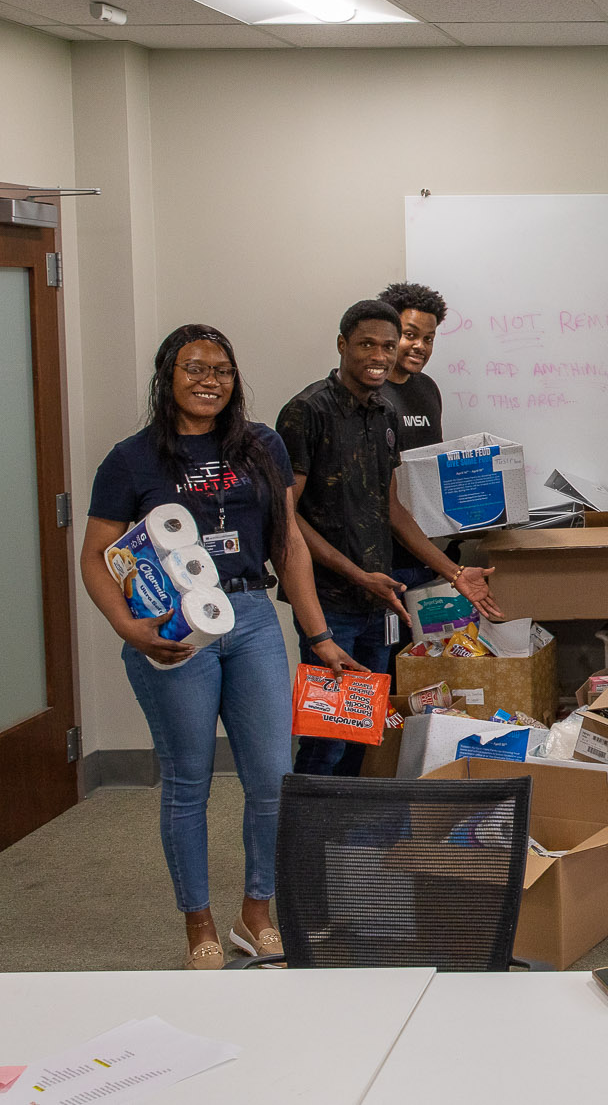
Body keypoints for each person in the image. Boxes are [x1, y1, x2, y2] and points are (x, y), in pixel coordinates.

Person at [80, 325, 363, 969]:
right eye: (193, 367)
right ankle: (198, 924)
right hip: (176, 629)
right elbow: (95, 556)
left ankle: (255, 913)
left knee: (271, 776)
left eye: (222, 369)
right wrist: (129, 627)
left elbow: (287, 543)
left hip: (252, 614)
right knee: (189, 782)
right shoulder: (132, 459)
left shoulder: (261, 445)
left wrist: (317, 635)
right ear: (167, 377)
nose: (209, 380)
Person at [278, 298, 503, 778]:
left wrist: (455, 572)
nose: (378, 355)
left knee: (363, 729)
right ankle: (306, 848)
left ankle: (347, 841)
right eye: (366, 344)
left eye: (386, 345)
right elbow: (286, 518)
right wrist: (356, 573)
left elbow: (392, 509)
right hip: (329, 600)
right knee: (327, 739)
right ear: (342, 345)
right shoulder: (306, 412)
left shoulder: (383, 415)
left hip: (381, 600)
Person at [376, 281, 449, 594]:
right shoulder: (369, 392)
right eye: (410, 335)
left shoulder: (428, 389)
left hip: (423, 551)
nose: (420, 346)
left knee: (420, 645)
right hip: (378, 557)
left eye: (428, 338)